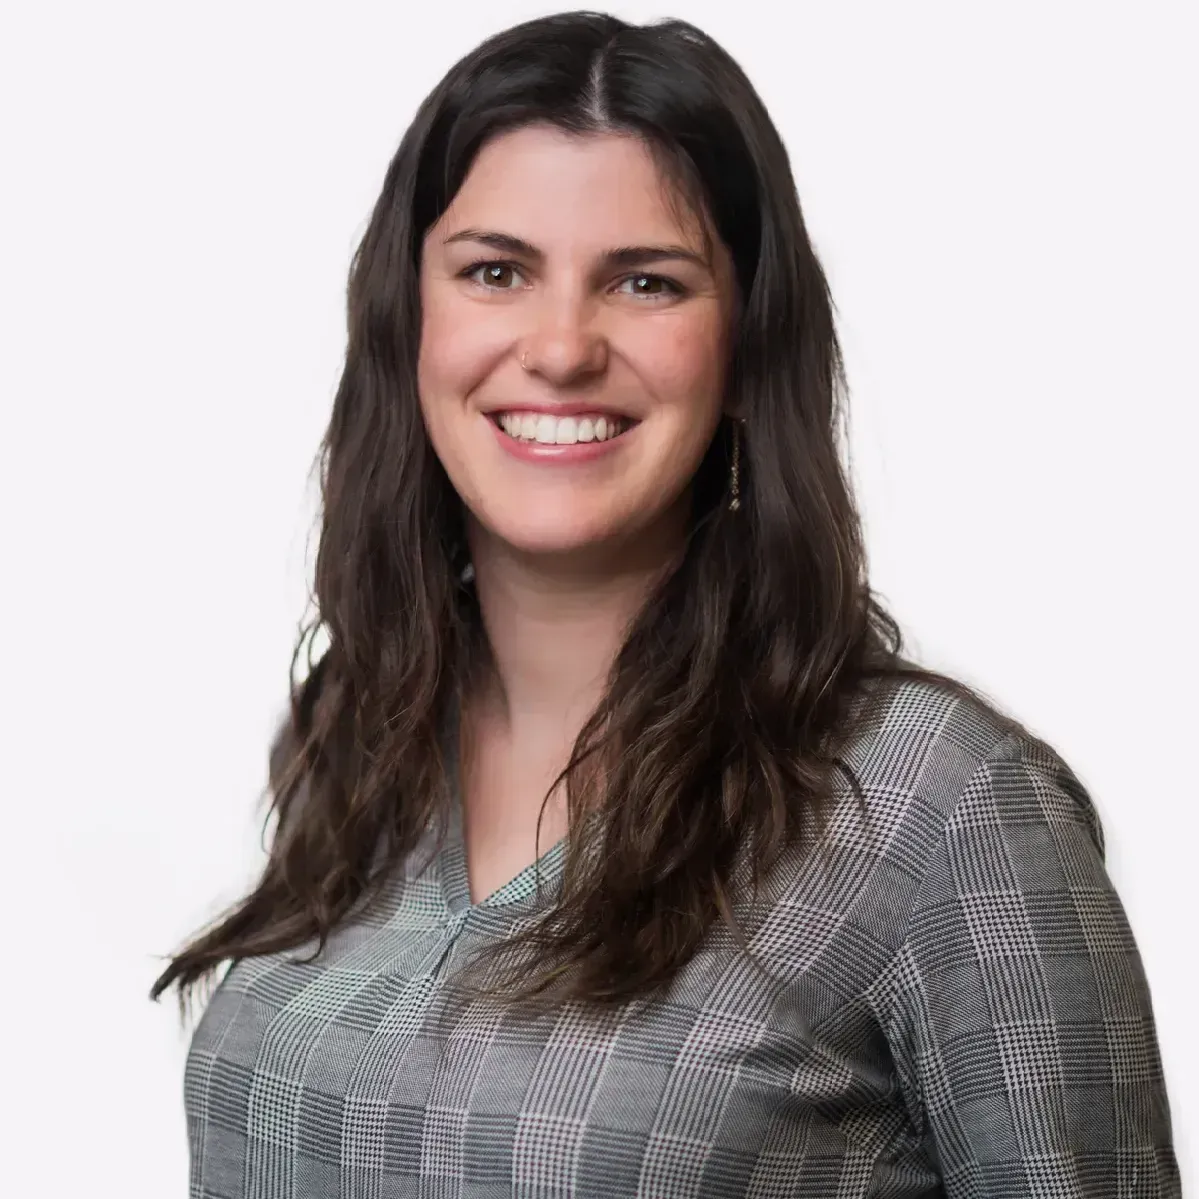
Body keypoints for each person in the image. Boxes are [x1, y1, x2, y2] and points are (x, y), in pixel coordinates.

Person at [151, 11, 1180, 1197]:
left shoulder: (941, 808)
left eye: (645, 281)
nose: (561, 347)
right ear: (408, 322)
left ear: (743, 346)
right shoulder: (358, 741)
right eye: (496, 271)